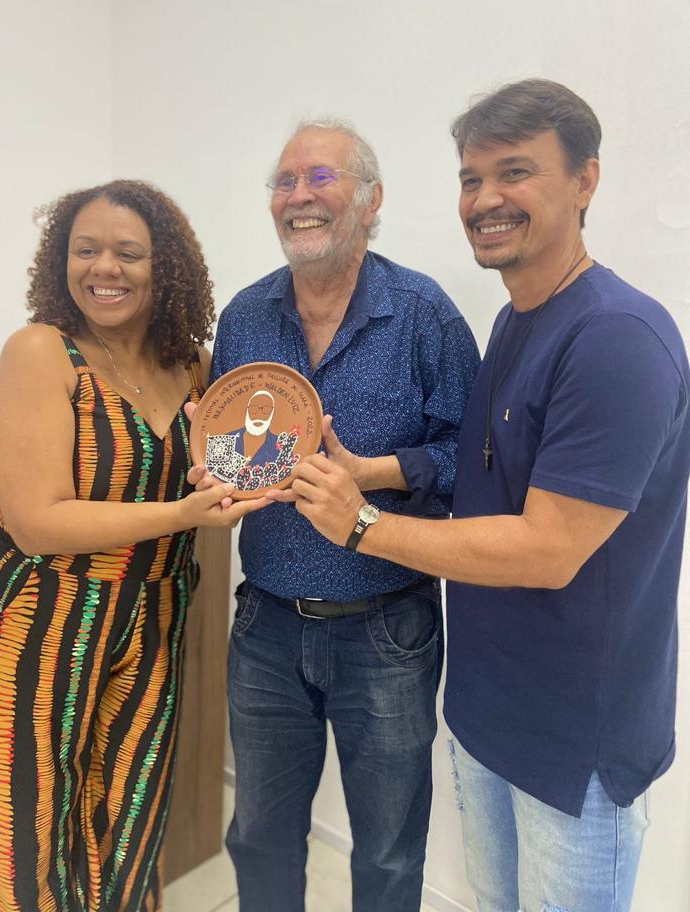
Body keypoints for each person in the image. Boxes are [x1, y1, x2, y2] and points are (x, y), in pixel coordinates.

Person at [282, 81, 690, 912]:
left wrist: (359, 526)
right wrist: (371, 472)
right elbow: (483, 479)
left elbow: (546, 549)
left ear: (585, 181)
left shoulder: (617, 337)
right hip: (486, 717)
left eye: (515, 172)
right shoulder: (513, 322)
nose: (486, 199)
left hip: (575, 748)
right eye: (471, 179)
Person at [0, 180, 265, 912]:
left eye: (128, 252)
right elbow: (36, 522)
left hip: (154, 612)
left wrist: (255, 476)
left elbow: (234, 463)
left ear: (166, 266)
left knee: (129, 813)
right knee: (19, 824)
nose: (103, 268)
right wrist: (183, 512)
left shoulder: (195, 366)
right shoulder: (41, 352)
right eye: (84, 250)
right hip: (38, 614)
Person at [201, 117, 479, 911]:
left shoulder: (424, 315)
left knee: (388, 853)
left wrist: (374, 474)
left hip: (388, 630)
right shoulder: (245, 317)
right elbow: (228, 447)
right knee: (259, 839)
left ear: (371, 199)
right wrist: (216, 479)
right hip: (266, 626)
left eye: (320, 177)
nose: (299, 196)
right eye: (285, 181)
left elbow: (475, 464)